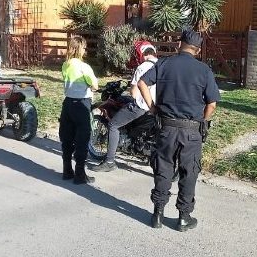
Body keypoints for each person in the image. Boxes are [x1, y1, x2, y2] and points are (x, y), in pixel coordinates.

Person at [138, 29, 220, 232]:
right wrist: (204, 121)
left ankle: (157, 214)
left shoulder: (164, 64)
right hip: (191, 130)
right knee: (188, 172)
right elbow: (212, 103)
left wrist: (152, 107)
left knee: (163, 168)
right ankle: (184, 217)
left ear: (179, 44)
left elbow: (142, 83)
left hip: (166, 127)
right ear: (198, 50)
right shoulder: (204, 70)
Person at [92, 41, 158, 172]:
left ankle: (110, 161)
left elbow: (133, 93)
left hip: (141, 107)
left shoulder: (142, 67)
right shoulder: (162, 65)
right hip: (157, 108)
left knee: (113, 125)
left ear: (140, 53)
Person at [59, 36, 99, 184]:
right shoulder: (84, 67)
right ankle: (80, 174)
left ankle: (67, 170)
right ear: (80, 48)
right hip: (82, 104)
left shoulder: (65, 65)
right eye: (84, 47)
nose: (85, 50)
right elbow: (94, 85)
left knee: (67, 139)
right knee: (82, 139)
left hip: (67, 103)